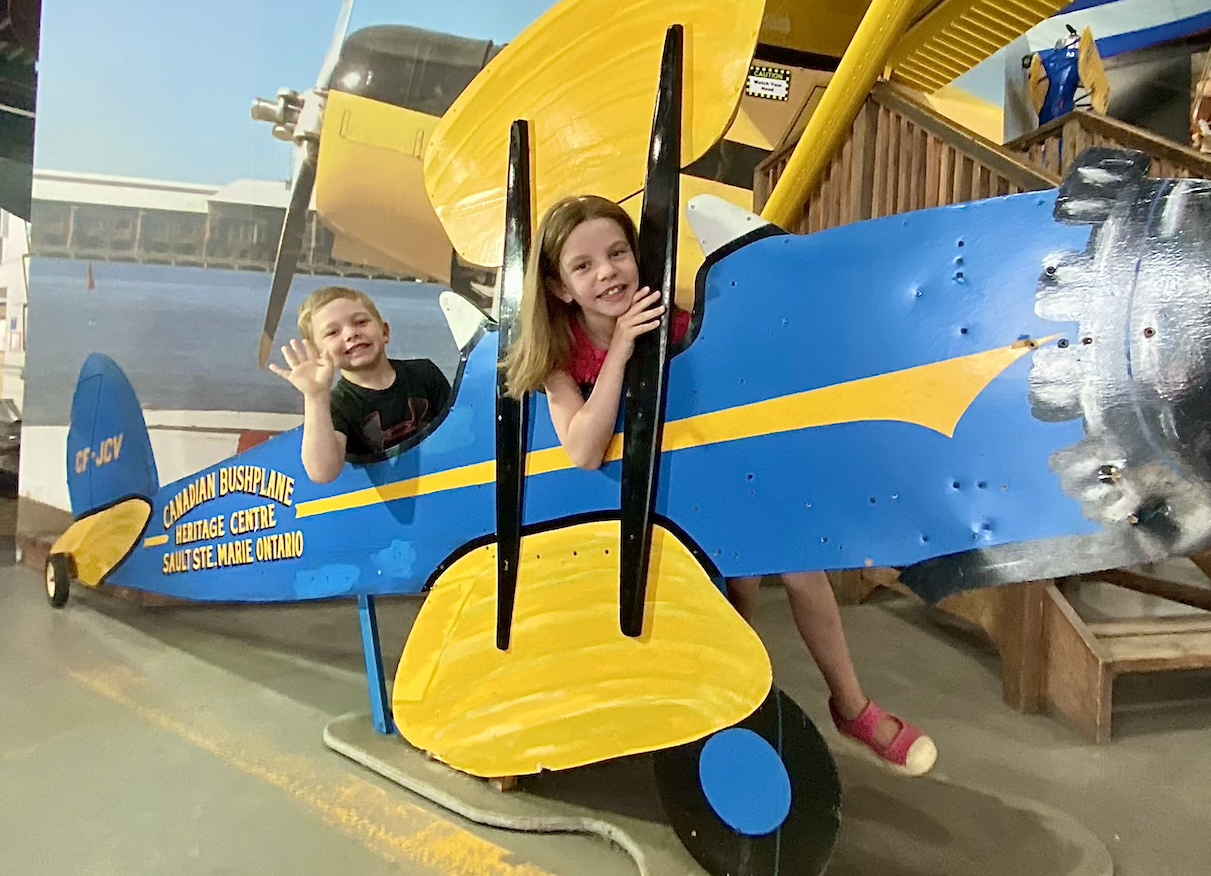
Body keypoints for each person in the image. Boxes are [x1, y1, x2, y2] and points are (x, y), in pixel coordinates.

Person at [504, 194, 937, 776]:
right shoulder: (560, 356)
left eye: (617, 253)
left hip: (702, 478)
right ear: (559, 288)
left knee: (797, 565)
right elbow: (582, 450)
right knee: (732, 586)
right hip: (631, 505)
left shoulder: (681, 326)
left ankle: (851, 705)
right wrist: (624, 347)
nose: (606, 271)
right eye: (582, 266)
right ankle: (730, 689)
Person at [271, 285, 451, 485]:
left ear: (385, 332)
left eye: (361, 322)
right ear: (319, 355)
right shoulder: (337, 406)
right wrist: (315, 395)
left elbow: (461, 426)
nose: (350, 333)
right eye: (332, 332)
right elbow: (322, 473)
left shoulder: (424, 373)